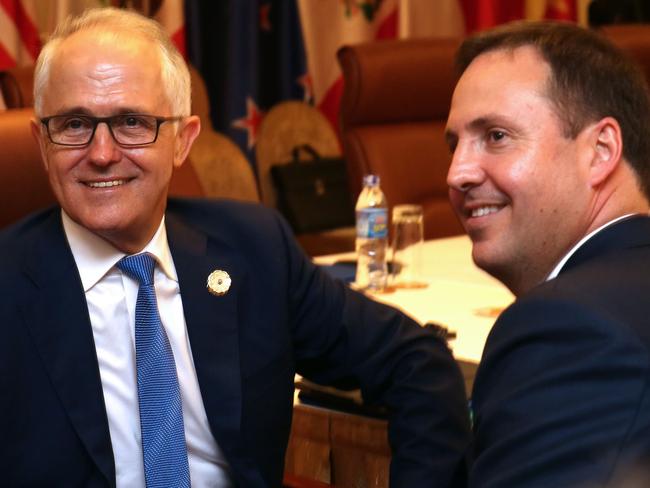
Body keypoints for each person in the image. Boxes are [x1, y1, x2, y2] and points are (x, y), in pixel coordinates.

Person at [0, 7, 471, 488]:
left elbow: (417, 365)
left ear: (182, 141)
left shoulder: (254, 249)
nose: (101, 153)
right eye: (74, 125)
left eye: (133, 122)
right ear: (42, 143)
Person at [445, 21, 650, 488]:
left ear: (601, 151)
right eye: (453, 144)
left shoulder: (569, 326)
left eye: (496, 136)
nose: (457, 174)